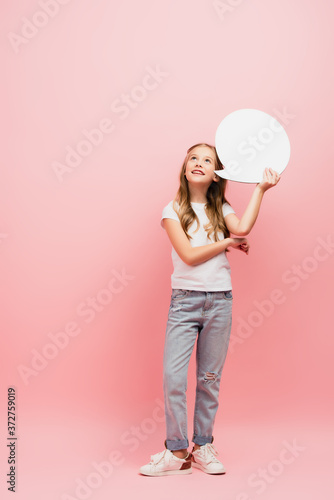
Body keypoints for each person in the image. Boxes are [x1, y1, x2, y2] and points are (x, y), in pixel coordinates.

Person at [139, 143, 280, 477]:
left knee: (209, 379)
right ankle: (176, 452)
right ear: (185, 167)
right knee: (174, 378)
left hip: (220, 301)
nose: (199, 163)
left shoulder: (223, 208)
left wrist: (260, 189)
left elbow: (242, 228)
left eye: (208, 160)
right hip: (185, 302)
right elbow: (189, 255)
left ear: (217, 174)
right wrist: (227, 243)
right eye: (194, 158)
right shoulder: (172, 210)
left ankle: (202, 447)